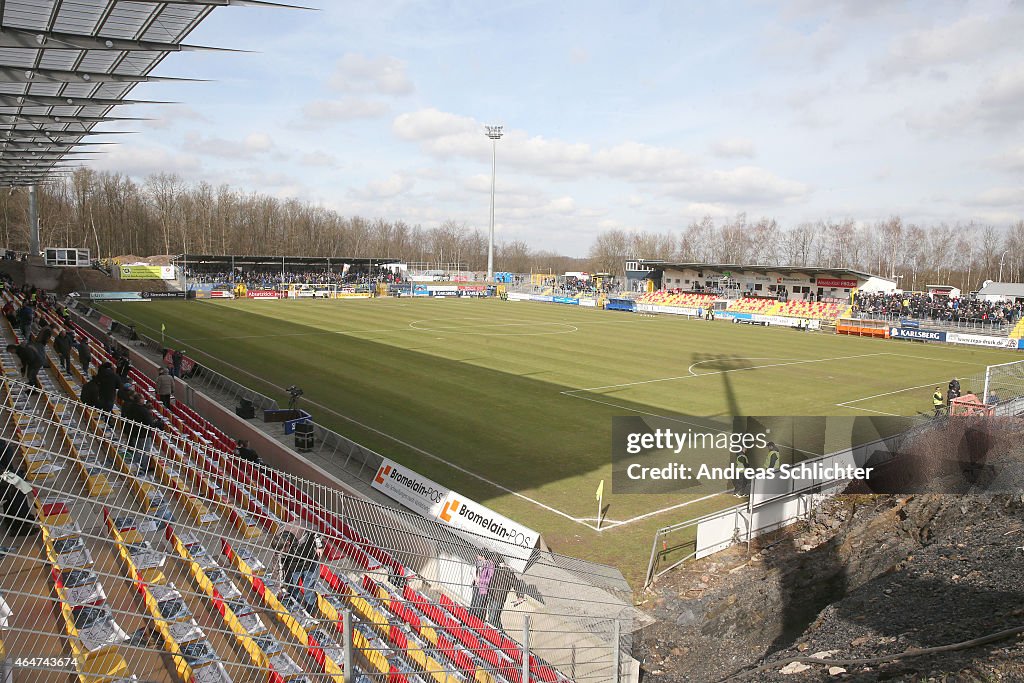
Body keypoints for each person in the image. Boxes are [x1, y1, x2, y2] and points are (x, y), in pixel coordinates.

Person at [274, 529, 323, 613]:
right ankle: (299, 609)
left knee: (309, 589)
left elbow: (314, 531)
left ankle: (310, 610)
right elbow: (279, 568)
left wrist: (319, 546)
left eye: (283, 551)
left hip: (309, 561)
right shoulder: (279, 549)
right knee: (292, 589)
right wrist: (280, 588)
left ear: (288, 543)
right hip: (293, 567)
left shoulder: (300, 533)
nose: (282, 553)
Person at [486, 559, 526, 627]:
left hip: (499, 599)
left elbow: (516, 583)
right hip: (492, 596)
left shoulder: (507, 571)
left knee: (492, 618)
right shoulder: (494, 569)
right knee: (493, 617)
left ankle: (497, 634)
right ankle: (500, 634)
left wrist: (520, 596)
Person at [469, 553, 494, 621]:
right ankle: (470, 620)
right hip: (476, 586)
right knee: (473, 604)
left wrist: (480, 580)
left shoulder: (490, 565)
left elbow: (489, 579)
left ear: (483, 556)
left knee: (479, 606)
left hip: (483, 588)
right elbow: (473, 570)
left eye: (478, 555)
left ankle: (478, 622)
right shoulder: (478, 562)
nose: (476, 556)